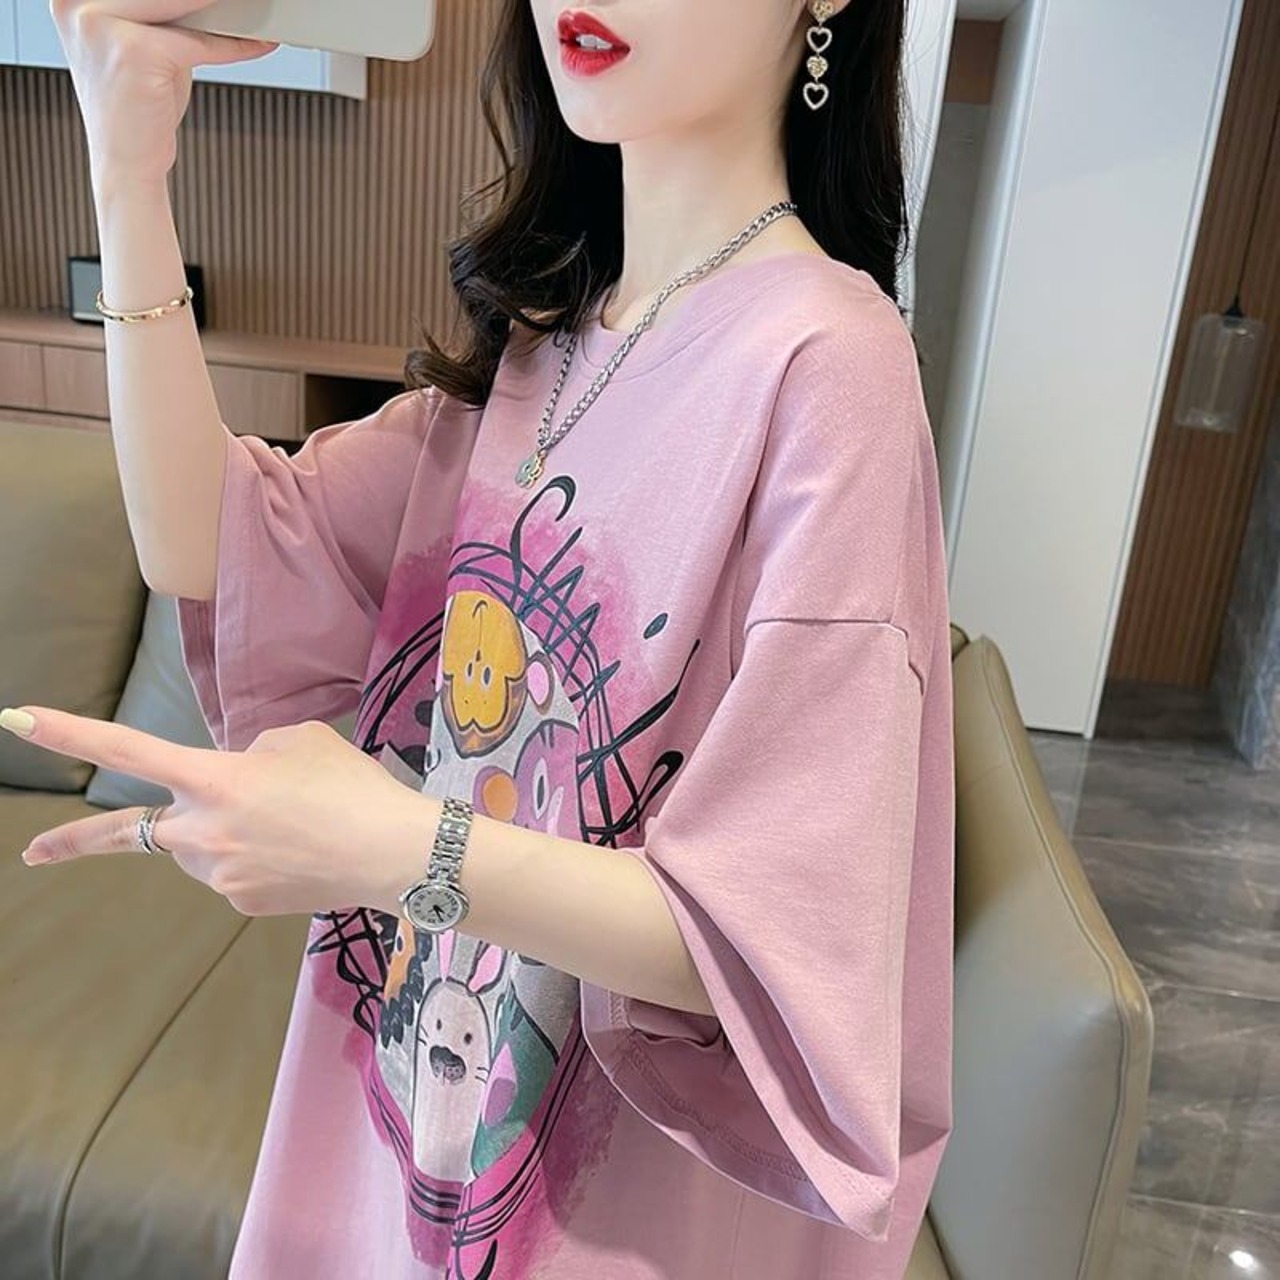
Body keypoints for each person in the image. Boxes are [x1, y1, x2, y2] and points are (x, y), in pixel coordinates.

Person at [54, 0, 955, 1274]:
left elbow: (778, 941)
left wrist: (390, 843)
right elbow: (206, 539)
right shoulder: (548, 344)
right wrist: (126, 169)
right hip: (404, 1146)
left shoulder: (828, 368)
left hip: (601, 1221)